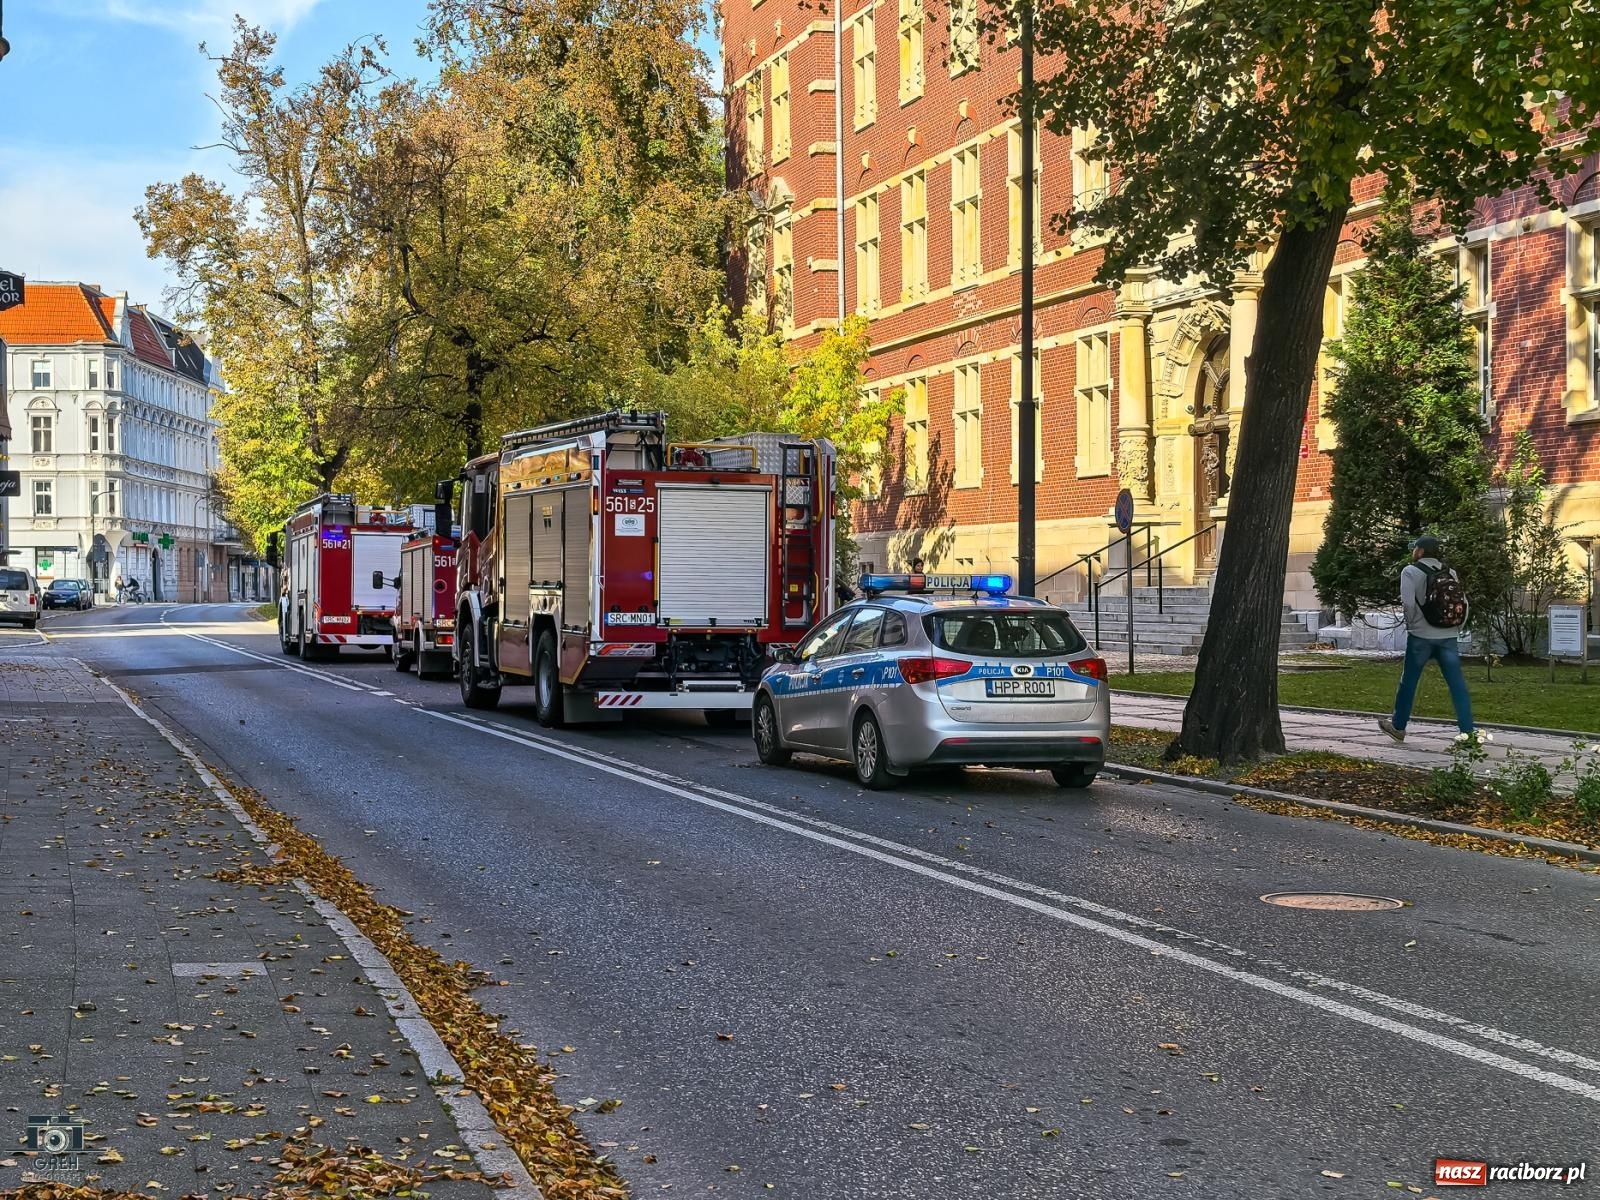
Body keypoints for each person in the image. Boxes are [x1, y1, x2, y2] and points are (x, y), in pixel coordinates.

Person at [1379, 534, 1475, 742]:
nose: (1413, 551)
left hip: (1421, 637)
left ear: (1421, 551)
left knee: (1409, 682)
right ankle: (1468, 732)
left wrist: (1413, 625)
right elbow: (1463, 603)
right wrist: (1457, 626)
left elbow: (1408, 603)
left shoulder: (1410, 571)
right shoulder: (1450, 572)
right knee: (1457, 684)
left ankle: (1398, 726)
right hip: (1448, 636)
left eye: (1415, 548)